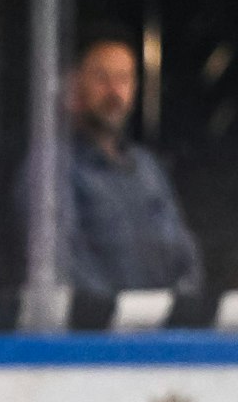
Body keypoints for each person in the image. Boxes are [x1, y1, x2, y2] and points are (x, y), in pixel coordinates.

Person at [54, 37, 204, 319]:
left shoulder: (147, 168)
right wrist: (113, 316)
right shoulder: (53, 168)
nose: (114, 91)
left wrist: (179, 312)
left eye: (123, 79)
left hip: (160, 341)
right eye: (102, 78)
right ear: (75, 86)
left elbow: (184, 253)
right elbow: (60, 262)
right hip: (93, 347)